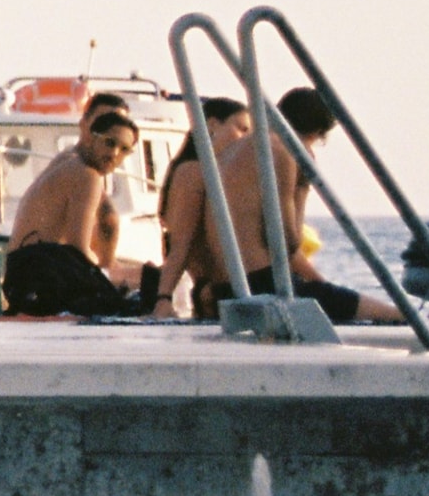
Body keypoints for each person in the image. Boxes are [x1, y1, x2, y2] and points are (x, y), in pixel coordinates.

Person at [215, 86, 372, 325]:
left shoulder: (236, 148)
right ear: (318, 133)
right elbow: (285, 241)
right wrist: (303, 186)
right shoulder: (283, 151)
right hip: (263, 284)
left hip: (226, 283)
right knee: (396, 316)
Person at [3, 97, 150, 316]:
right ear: (90, 131)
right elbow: (77, 248)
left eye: (124, 149)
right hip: (40, 276)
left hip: (24, 277)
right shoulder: (85, 174)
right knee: (152, 283)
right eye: (110, 142)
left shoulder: (71, 163)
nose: (114, 153)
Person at [156, 97, 248, 319]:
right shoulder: (193, 173)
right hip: (214, 294)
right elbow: (181, 244)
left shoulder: (210, 174)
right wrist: (163, 299)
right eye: (242, 129)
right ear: (213, 125)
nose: (247, 139)